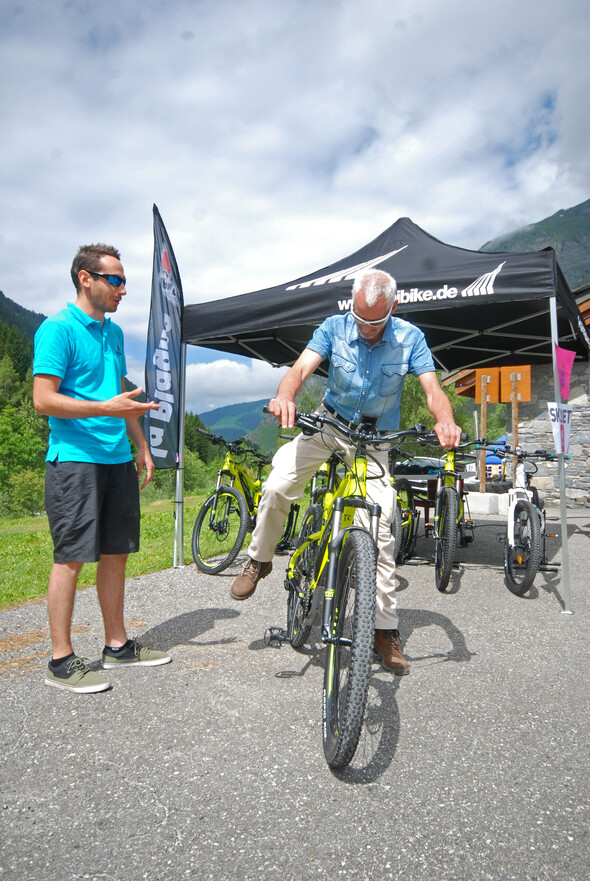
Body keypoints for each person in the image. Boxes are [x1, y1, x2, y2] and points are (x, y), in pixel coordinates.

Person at [230, 268, 461, 675]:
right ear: (351, 305)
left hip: (374, 440)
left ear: (394, 306)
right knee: (278, 483)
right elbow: (299, 371)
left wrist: (445, 420)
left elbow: (433, 390)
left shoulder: (411, 338)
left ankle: (384, 630)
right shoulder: (334, 328)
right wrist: (285, 395)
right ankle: (260, 559)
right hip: (329, 426)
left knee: (382, 526)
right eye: (360, 318)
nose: (367, 328)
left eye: (376, 320)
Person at [33, 243, 172, 693]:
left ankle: (116, 646)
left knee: (116, 553)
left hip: (116, 459)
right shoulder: (57, 329)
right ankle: (61, 660)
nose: (123, 289)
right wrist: (103, 407)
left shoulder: (112, 334)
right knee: (71, 557)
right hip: (74, 460)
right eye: (115, 279)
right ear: (85, 279)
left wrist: (142, 447)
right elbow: (43, 399)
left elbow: (122, 398)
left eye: (124, 280)